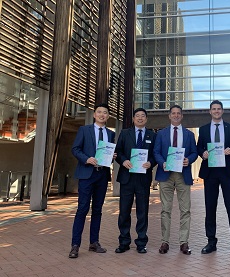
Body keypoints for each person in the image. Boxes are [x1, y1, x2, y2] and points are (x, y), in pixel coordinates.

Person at [197, 100, 230, 255]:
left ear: (222, 111)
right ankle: (211, 242)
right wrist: (203, 153)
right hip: (210, 172)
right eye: (214, 109)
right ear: (210, 111)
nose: (217, 111)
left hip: (227, 172)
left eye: (219, 109)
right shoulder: (203, 129)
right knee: (210, 208)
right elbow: (199, 147)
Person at [69, 103, 116, 258]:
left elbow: (109, 153)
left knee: (98, 210)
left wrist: (112, 156)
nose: (102, 115)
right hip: (86, 174)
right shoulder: (84, 130)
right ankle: (75, 245)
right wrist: (86, 159)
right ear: (95, 115)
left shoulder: (110, 133)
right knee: (82, 209)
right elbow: (75, 149)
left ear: (108, 116)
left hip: (102, 175)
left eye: (105, 113)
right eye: (99, 112)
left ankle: (94, 243)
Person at [154, 105, 198, 255]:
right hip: (165, 174)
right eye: (173, 113)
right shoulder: (161, 134)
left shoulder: (189, 134)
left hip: (183, 174)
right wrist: (162, 163)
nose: (176, 115)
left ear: (182, 116)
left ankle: (184, 242)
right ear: (169, 116)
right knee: (165, 209)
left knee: (185, 210)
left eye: (179, 113)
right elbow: (156, 152)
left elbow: (194, 152)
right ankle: (164, 241)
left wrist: (189, 160)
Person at [114, 108, 156, 254]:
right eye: (137, 116)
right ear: (133, 119)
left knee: (142, 212)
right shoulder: (125, 133)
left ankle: (141, 242)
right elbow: (118, 151)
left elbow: (155, 154)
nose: (140, 118)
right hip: (127, 177)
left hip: (143, 178)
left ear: (146, 119)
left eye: (142, 116)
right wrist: (123, 160)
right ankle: (124, 241)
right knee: (124, 211)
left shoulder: (152, 135)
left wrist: (151, 163)